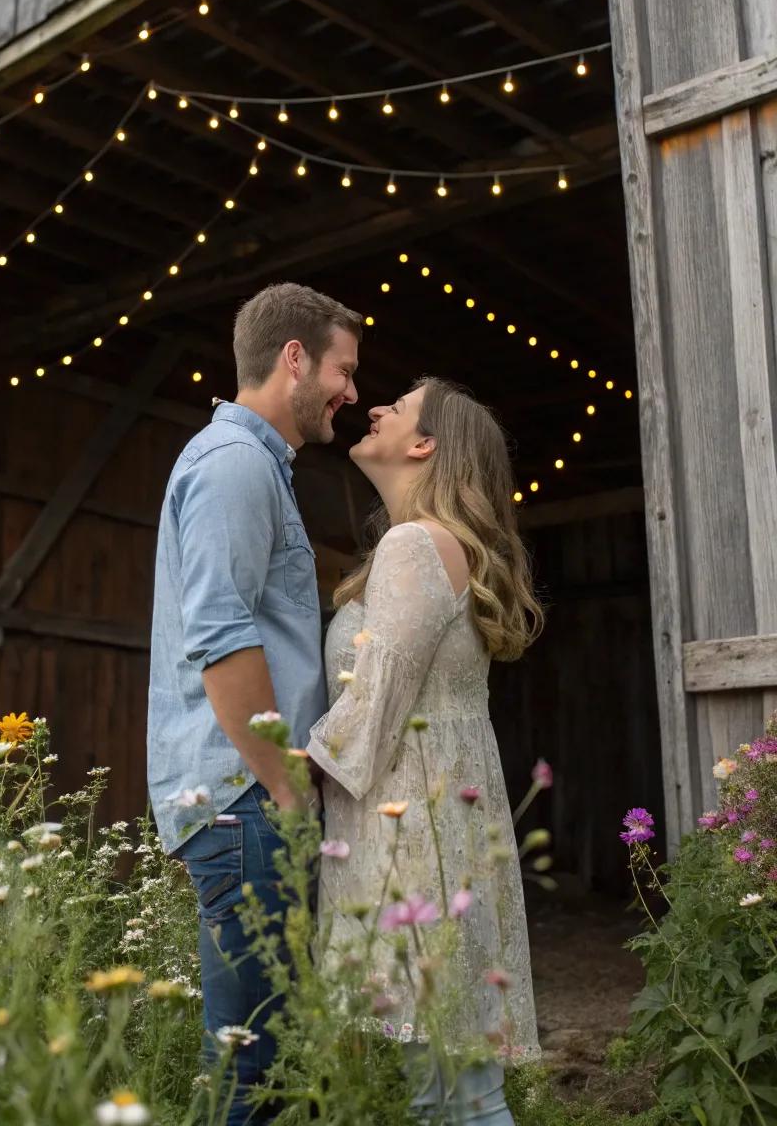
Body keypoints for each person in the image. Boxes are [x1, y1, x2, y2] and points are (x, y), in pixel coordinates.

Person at [147, 282, 361, 1125]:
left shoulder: (254, 466)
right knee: (253, 1073)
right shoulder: (234, 464)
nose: (351, 391)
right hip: (245, 804)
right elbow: (222, 634)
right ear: (295, 358)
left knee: (265, 1062)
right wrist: (282, 787)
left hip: (247, 801)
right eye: (344, 369)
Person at [306, 377, 543, 1125]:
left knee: (459, 1096)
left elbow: (377, 699)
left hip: (416, 839)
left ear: (424, 444)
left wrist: (279, 772)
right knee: (446, 1091)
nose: (373, 407)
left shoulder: (416, 544)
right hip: (432, 826)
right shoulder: (420, 546)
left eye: (397, 407)